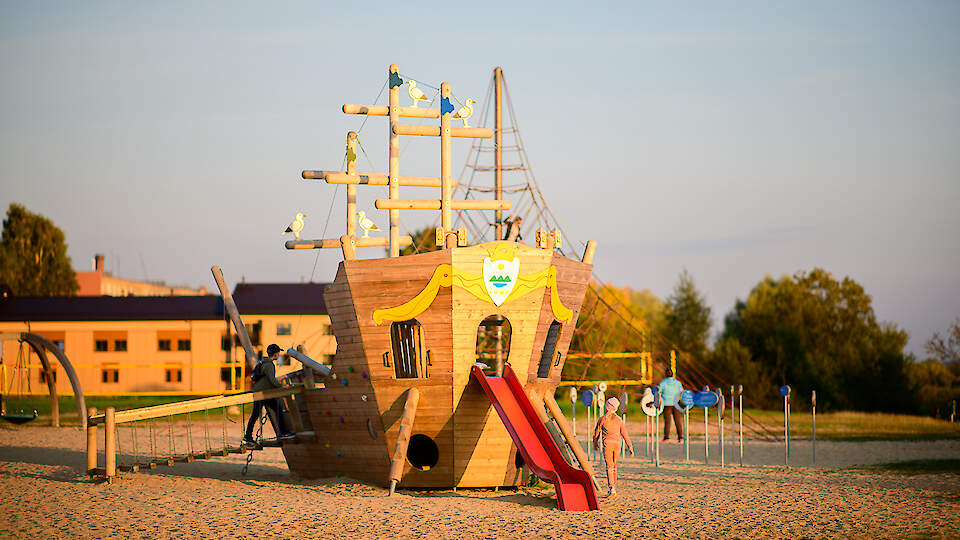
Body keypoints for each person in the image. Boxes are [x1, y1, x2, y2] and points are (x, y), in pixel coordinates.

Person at [243, 344, 295, 445]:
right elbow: (272, 380)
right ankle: (283, 433)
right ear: (275, 354)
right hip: (262, 394)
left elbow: (268, 379)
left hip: (261, 392)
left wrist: (276, 382)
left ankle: (248, 437)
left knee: (262, 413)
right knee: (276, 410)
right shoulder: (269, 365)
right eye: (278, 353)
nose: (279, 355)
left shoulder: (263, 362)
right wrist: (282, 387)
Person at [592, 396, 634, 498]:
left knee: (609, 467)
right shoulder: (619, 419)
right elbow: (625, 434)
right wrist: (630, 446)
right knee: (614, 467)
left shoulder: (602, 419)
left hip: (608, 444)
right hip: (618, 444)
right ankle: (614, 488)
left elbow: (596, 433)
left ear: (607, 407)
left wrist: (595, 443)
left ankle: (612, 488)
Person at [659, 368, 684, 443]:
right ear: (672, 374)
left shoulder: (662, 383)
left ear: (665, 374)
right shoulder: (678, 383)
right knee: (678, 421)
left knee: (667, 422)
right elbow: (682, 392)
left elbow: (658, 393)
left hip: (666, 404)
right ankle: (680, 438)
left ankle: (666, 438)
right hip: (676, 404)